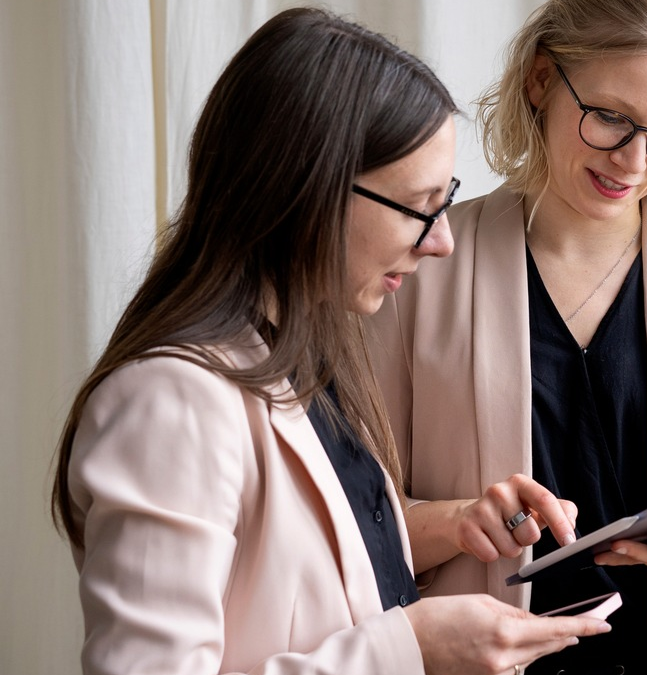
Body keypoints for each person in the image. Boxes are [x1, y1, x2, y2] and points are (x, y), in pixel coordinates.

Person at [50, 8, 610, 675]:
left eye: (447, 199)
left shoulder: (310, 358)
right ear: (306, 189)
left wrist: (455, 523)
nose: (442, 240)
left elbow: (323, 579)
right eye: (420, 205)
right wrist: (411, 648)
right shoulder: (169, 402)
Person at [367, 1, 647, 673]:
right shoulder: (419, 269)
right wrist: (459, 520)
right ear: (541, 79)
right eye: (609, 118)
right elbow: (357, 520)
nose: (633, 160)